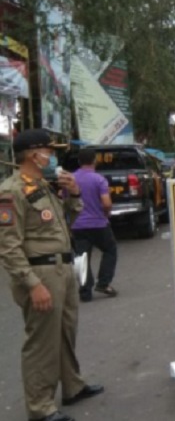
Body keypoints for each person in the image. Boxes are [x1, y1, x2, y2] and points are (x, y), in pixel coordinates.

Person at [0, 129, 104, 421]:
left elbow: (69, 220)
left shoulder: (43, 186)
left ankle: (72, 386)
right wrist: (32, 284)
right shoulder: (11, 191)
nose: (53, 155)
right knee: (41, 341)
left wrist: (75, 193)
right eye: (49, 150)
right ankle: (40, 406)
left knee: (65, 332)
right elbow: (8, 246)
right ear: (35, 154)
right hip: (40, 272)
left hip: (63, 268)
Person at [71, 148, 119, 302]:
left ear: (79, 161)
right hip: (98, 224)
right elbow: (106, 203)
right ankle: (103, 283)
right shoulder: (99, 179)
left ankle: (85, 291)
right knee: (110, 250)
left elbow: (65, 202)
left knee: (82, 257)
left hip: (77, 225)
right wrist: (106, 213)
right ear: (94, 160)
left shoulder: (71, 179)